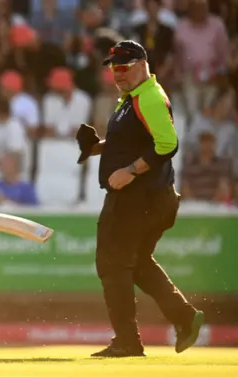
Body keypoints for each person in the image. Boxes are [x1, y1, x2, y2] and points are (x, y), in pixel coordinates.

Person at [75, 40, 204, 358]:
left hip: (139, 197)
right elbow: (137, 140)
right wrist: (96, 147)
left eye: (122, 67)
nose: (116, 74)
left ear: (141, 65)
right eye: (112, 68)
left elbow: (168, 144)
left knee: (112, 263)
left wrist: (131, 171)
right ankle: (185, 317)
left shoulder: (149, 98)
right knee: (136, 264)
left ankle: (128, 341)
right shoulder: (131, 99)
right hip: (149, 198)